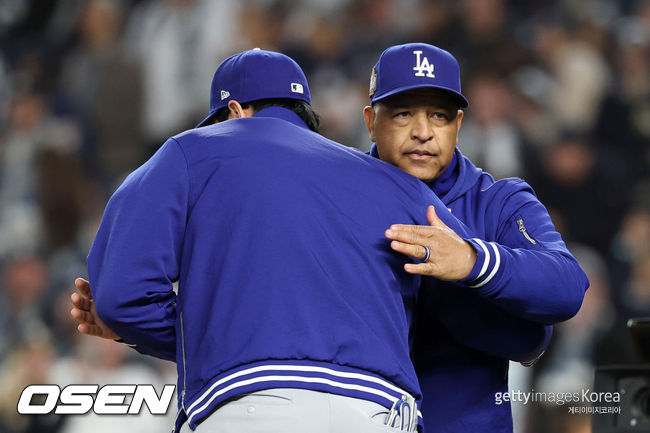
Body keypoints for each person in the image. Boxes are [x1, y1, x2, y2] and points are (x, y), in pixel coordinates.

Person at [73, 48, 486, 433]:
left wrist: (214, 330)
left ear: (233, 112)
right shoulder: (396, 183)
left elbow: (122, 297)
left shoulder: (191, 151)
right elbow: (480, 278)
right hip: (382, 412)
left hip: (252, 407)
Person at [364, 43, 590, 432]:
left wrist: (473, 261)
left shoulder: (499, 200)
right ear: (371, 120)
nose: (422, 132)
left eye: (439, 115)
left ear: (459, 124)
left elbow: (567, 287)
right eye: (403, 114)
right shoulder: (341, 198)